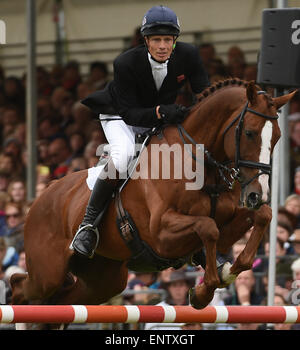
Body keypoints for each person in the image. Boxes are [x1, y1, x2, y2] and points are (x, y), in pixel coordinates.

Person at [70, 5, 209, 258]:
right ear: (146, 41)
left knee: (190, 156)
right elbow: (130, 114)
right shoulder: (126, 62)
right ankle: (88, 225)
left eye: (168, 39)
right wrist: (161, 112)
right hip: (119, 114)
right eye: (156, 40)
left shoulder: (189, 55)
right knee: (123, 157)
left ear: (175, 41)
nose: (163, 46)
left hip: (158, 115)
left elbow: (205, 95)